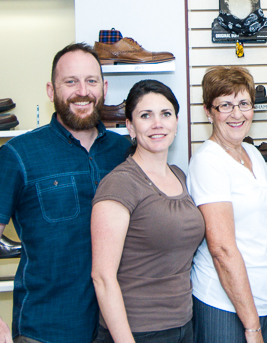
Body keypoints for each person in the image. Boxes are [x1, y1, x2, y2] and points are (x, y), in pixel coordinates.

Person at [0, 43, 131, 343]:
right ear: (51, 90)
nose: (82, 91)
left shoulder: (124, 151)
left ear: (104, 87)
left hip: (117, 326)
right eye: (70, 82)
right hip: (46, 329)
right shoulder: (18, 154)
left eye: (91, 81)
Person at [91, 80, 204, 343]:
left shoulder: (180, 176)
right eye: (145, 116)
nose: (157, 124)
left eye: (165, 114)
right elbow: (102, 277)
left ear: (176, 121)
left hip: (183, 325)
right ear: (130, 126)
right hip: (137, 332)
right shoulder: (120, 183)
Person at [188, 66, 267, 343]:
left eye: (243, 103)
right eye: (225, 105)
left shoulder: (252, 153)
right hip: (225, 305)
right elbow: (222, 250)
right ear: (208, 110)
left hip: (263, 302)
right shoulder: (209, 162)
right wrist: (252, 327)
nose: (237, 114)